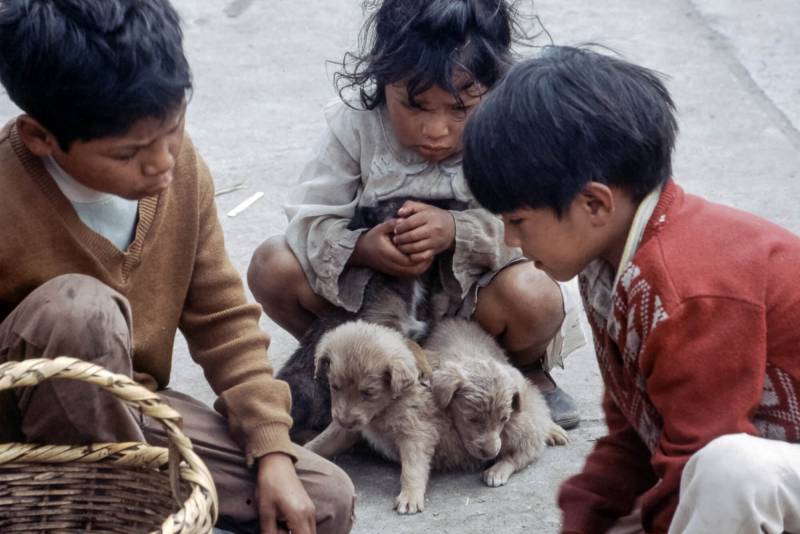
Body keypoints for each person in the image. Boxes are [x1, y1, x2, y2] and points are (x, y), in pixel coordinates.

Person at [0, 1, 354, 533]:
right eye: (129, 153)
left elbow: (223, 319)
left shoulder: (180, 171)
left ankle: (116, 508)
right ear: (39, 138)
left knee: (323, 501)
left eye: (174, 127)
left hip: (128, 412)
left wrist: (271, 449)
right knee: (79, 311)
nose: (163, 163)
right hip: (17, 436)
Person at [462, 45, 800, 534]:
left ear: (594, 204)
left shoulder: (689, 286)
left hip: (755, 472)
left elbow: (697, 460)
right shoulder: (610, 264)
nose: (510, 240)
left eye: (517, 220)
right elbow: (635, 437)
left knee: (730, 473)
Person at [247, 0, 586, 430]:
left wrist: (454, 231)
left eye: (459, 109)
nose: (436, 129)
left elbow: (541, 227)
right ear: (381, 80)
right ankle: (357, 371)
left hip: (472, 311)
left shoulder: (509, 133)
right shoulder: (357, 126)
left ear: (495, 89)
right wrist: (363, 248)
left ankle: (517, 371)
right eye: (415, 105)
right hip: (375, 306)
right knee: (272, 263)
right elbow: (310, 221)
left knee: (536, 293)